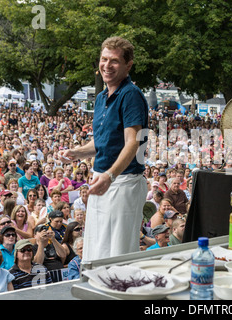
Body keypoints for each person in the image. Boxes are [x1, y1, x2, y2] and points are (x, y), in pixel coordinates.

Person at [60, 36, 148, 261]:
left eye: (115, 61)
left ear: (128, 65)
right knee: (96, 246)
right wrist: (77, 152)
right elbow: (103, 143)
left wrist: (110, 175)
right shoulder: (101, 97)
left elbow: (132, 142)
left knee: (117, 250)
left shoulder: (131, 95)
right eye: (104, 59)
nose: (107, 65)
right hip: (102, 179)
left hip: (123, 181)